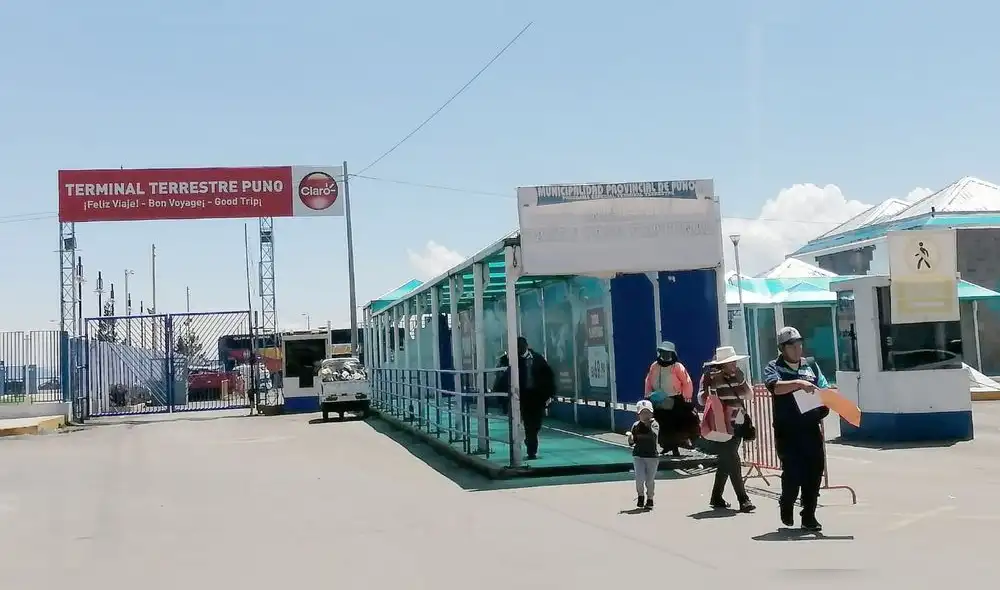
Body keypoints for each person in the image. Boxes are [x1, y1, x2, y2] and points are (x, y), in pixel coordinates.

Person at [763, 326, 830, 532]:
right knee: (793, 472)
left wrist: (827, 403)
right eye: (792, 346)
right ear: (782, 348)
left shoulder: (811, 365)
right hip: (787, 430)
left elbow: (824, 388)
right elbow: (775, 387)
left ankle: (809, 514)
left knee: (814, 471)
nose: (797, 349)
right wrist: (799, 383)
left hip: (810, 428)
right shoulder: (773, 367)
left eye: (799, 344)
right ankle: (787, 502)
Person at [698, 345, 756, 513]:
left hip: (737, 423)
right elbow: (701, 400)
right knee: (732, 459)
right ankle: (743, 499)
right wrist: (709, 386)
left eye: (734, 362)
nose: (734, 365)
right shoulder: (709, 377)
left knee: (726, 461)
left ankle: (716, 497)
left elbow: (749, 395)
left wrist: (741, 380)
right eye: (730, 363)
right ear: (721, 365)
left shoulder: (738, 375)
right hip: (720, 425)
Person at [492, 337, 556, 460]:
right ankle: (531, 449)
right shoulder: (508, 360)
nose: (519, 349)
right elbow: (500, 378)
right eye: (516, 347)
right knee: (526, 422)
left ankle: (530, 440)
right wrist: (501, 398)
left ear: (526, 346)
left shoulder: (537, 358)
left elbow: (548, 376)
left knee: (535, 424)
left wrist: (549, 394)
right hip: (520, 396)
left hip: (536, 396)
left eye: (520, 346)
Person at [643, 341, 696, 456]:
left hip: (675, 399)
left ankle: (677, 446)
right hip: (658, 400)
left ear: (672, 354)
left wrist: (687, 397)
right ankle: (667, 446)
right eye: (663, 352)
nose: (665, 355)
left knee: (675, 423)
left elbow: (687, 382)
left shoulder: (677, 367)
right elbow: (648, 380)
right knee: (662, 424)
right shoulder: (654, 366)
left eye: (668, 352)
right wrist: (648, 394)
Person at [627, 400, 660, 510]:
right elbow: (632, 442)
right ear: (639, 414)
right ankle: (640, 496)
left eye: (648, 413)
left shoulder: (654, 424)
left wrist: (648, 425)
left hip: (652, 456)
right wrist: (630, 439)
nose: (645, 415)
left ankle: (650, 498)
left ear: (651, 413)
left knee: (650, 480)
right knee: (639, 478)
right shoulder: (635, 425)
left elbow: (653, 436)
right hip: (638, 455)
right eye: (643, 413)